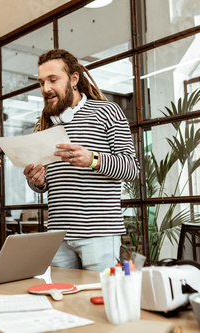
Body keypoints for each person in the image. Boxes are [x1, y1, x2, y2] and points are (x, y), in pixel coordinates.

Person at [23, 49, 140, 271]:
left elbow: (131, 168)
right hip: (58, 235)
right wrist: (36, 180)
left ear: (74, 79)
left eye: (53, 80)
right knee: (64, 301)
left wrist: (93, 160)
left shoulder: (108, 112)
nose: (45, 88)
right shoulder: (43, 125)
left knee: (98, 300)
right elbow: (43, 184)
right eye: (41, 82)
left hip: (99, 234)